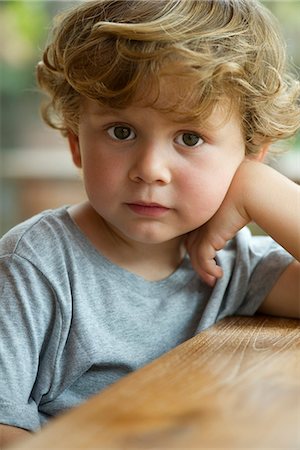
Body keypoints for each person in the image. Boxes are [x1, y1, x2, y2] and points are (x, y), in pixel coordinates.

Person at [0, 0, 299, 446]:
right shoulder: (34, 266)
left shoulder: (233, 264)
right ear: (76, 142)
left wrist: (260, 187)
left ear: (248, 152)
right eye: (121, 131)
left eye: (190, 138)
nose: (150, 169)